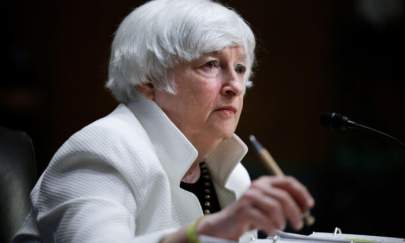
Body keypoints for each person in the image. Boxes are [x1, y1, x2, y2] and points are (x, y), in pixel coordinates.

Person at [13, 0, 314, 242]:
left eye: (239, 68)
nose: (235, 85)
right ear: (148, 79)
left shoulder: (233, 174)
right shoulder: (103, 149)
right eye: (211, 64)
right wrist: (202, 232)